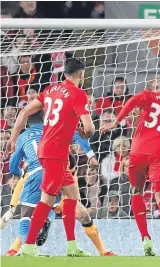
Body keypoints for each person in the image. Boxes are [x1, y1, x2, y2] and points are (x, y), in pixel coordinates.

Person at [6, 58, 95, 257]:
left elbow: (24, 112)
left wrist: (13, 139)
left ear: (64, 73)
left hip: (50, 151)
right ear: (81, 74)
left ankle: (72, 247)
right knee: (46, 201)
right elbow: (89, 128)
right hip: (55, 153)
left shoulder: (50, 90)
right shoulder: (78, 94)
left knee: (72, 196)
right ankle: (28, 247)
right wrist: (84, 133)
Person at [2, 112, 116, 257]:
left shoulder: (23, 138)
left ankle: (25, 246)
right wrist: (90, 154)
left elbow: (13, 168)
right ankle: (100, 250)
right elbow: (77, 136)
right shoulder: (55, 131)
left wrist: (20, 174)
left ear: (26, 123)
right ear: (45, 118)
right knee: (79, 213)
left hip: (42, 178)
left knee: (30, 213)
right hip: (61, 180)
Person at [100, 72, 160, 256]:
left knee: (136, 192)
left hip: (138, 152)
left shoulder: (148, 95)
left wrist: (116, 120)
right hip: (159, 155)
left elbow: (130, 102)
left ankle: (145, 237)